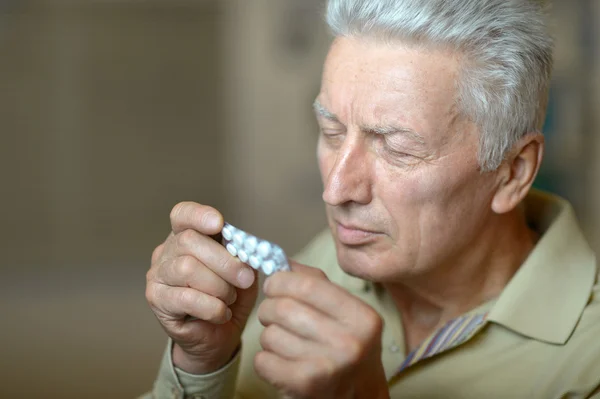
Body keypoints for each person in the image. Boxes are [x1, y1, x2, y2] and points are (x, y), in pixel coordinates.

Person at [143, 0, 600, 398]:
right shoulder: (330, 262)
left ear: (512, 172)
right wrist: (203, 365)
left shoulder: (587, 365)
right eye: (330, 132)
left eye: (396, 148)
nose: (336, 189)